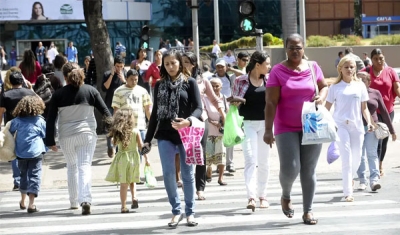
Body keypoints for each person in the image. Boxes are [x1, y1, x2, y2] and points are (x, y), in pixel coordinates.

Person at [264, 34, 328, 225]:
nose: (295, 51)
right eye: (291, 47)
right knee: (291, 167)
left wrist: (322, 97)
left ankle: (308, 211)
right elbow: (270, 102)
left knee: (308, 169)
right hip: (285, 126)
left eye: (298, 47)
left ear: (303, 48)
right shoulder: (277, 71)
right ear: (286, 48)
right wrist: (268, 129)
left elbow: (324, 86)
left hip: (311, 124)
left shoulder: (312, 67)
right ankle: (286, 195)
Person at [143, 50, 202, 227]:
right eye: (166, 64)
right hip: (165, 134)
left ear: (180, 64)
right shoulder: (159, 85)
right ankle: (176, 211)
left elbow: (199, 108)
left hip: (186, 133)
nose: (170, 67)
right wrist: (147, 139)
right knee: (169, 174)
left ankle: (190, 212)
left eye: (173, 63)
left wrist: (188, 121)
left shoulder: (190, 83)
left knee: (187, 174)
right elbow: (154, 115)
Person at [46, 63, 112, 215]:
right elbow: (105, 112)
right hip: (87, 134)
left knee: (72, 167)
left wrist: (50, 140)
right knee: (84, 166)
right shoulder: (90, 91)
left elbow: (51, 119)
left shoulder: (58, 94)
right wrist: (115, 130)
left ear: (64, 76)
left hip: (66, 136)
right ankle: (86, 200)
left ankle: (74, 201)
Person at [325, 56, 373, 202]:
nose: (349, 69)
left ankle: (350, 178)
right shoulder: (334, 87)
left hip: (357, 126)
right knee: (346, 158)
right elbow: (327, 108)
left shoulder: (360, 86)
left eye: (352, 67)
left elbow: (364, 108)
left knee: (357, 158)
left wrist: (369, 122)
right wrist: (328, 124)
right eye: (346, 67)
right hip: (341, 125)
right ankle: (348, 192)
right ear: (340, 68)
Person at [231, 51, 271, 211]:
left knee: (263, 161)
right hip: (247, 124)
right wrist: (235, 102)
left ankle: (263, 195)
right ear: (257, 65)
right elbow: (233, 103)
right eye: (267, 64)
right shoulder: (240, 80)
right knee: (250, 160)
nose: (269, 67)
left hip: (266, 125)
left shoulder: (270, 81)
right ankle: (251, 197)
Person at [182, 51, 225, 200]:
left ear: (193, 64)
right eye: (182, 61)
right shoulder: (177, 80)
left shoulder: (202, 81)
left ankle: (200, 188)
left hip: (201, 119)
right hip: (183, 121)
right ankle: (187, 183)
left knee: (201, 152)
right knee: (186, 153)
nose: (184, 65)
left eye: (187, 62)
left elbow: (214, 99)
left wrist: (222, 113)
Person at [9, 96, 53, 213]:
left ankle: (23, 201)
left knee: (23, 175)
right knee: (34, 176)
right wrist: (49, 147)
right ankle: (31, 204)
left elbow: (9, 132)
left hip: (21, 153)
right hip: (36, 153)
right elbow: (46, 135)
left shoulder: (16, 121)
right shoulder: (40, 121)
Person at [360, 48, 400, 176]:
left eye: (381, 58)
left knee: (384, 138)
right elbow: (353, 81)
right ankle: (373, 166)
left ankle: (380, 164)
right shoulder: (365, 72)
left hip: (387, 111)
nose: (379, 61)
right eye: (376, 59)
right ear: (371, 60)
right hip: (371, 112)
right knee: (373, 140)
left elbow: (397, 88)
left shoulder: (390, 71)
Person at [356, 71, 396, 192]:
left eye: (364, 80)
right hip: (356, 128)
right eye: (359, 80)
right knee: (360, 155)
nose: (361, 82)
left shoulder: (375, 93)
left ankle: (374, 180)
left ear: (369, 82)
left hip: (371, 127)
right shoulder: (353, 94)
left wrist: (392, 130)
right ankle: (362, 180)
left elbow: (384, 111)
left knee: (372, 153)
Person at [105, 109, 149, 213]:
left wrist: (111, 143)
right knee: (132, 180)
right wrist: (147, 159)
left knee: (124, 184)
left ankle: (123, 206)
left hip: (122, 159)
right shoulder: (135, 131)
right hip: (134, 159)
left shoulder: (118, 133)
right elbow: (141, 146)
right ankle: (134, 197)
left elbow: (113, 143)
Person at [0, 71, 37, 192]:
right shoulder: (29, 93)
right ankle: (26, 179)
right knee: (27, 152)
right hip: (28, 126)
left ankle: (17, 181)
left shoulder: (5, 95)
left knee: (14, 153)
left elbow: (1, 112)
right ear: (22, 81)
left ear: (10, 82)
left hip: (12, 126)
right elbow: (39, 106)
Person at [112, 69, 152, 152]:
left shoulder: (143, 91)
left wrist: (152, 126)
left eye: (136, 79)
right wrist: (115, 128)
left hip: (140, 127)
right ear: (126, 79)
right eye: (131, 79)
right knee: (125, 151)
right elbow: (116, 111)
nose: (134, 82)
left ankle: (138, 165)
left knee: (141, 151)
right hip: (125, 127)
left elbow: (147, 109)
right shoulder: (118, 91)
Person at [204, 78, 228, 186]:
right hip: (208, 131)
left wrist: (221, 123)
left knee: (221, 155)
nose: (214, 88)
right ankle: (208, 171)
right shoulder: (205, 98)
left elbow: (227, 114)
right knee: (208, 156)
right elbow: (202, 113)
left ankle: (221, 178)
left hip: (221, 132)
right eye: (212, 86)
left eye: (217, 86)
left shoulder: (224, 99)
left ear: (221, 87)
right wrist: (211, 121)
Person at [102, 56, 127, 158]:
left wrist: (124, 80)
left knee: (120, 127)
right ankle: (110, 146)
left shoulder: (125, 74)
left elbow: (130, 87)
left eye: (121, 66)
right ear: (114, 65)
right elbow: (105, 88)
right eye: (117, 66)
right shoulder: (107, 74)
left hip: (122, 105)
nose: (119, 68)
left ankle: (117, 150)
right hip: (110, 104)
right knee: (110, 126)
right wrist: (112, 75)